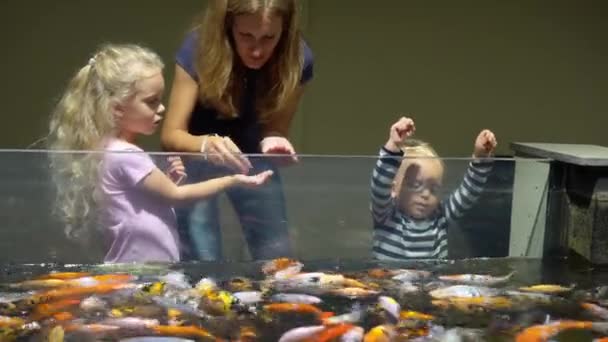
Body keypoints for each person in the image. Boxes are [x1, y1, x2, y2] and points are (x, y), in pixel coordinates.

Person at [47, 43, 274, 264]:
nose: (162, 108)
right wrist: (232, 180)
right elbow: (176, 195)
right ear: (117, 108)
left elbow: (149, 201)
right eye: (151, 102)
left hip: (135, 267)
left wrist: (169, 182)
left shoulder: (110, 149)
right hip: (142, 270)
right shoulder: (127, 154)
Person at [161, 0, 314, 261]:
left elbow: (276, 128)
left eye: (268, 38)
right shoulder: (198, 48)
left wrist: (275, 141)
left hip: (252, 157)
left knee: (276, 255)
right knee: (202, 257)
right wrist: (206, 145)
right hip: (198, 157)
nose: (257, 50)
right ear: (228, 25)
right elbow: (171, 134)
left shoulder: (298, 59)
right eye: (246, 36)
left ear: (285, 31)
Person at [370, 117, 497, 260]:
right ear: (394, 189)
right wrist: (393, 145)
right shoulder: (386, 215)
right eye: (415, 185)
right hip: (388, 281)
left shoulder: (440, 216)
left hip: (431, 281)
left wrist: (480, 158)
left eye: (434, 189)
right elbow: (380, 184)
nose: (425, 194)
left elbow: (469, 192)